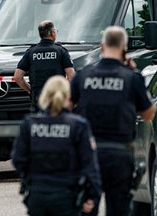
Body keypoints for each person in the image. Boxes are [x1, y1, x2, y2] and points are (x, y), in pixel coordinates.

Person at [70, 26, 156, 216]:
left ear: (102, 47)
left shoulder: (83, 75)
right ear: (124, 48)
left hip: (88, 153)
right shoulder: (132, 78)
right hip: (120, 154)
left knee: (86, 208)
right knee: (118, 210)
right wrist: (136, 75)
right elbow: (149, 113)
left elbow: (65, 106)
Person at [11, 75, 102, 216]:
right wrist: (93, 195)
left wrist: (30, 179)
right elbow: (89, 165)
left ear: (45, 96)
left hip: (37, 195)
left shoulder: (30, 124)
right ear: (68, 97)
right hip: (67, 196)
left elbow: (18, 159)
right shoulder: (78, 125)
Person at [14, 20, 75, 111]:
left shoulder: (31, 52)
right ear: (53, 33)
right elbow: (71, 75)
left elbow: (18, 77)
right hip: (57, 98)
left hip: (38, 98)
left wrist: (30, 90)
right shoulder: (61, 51)